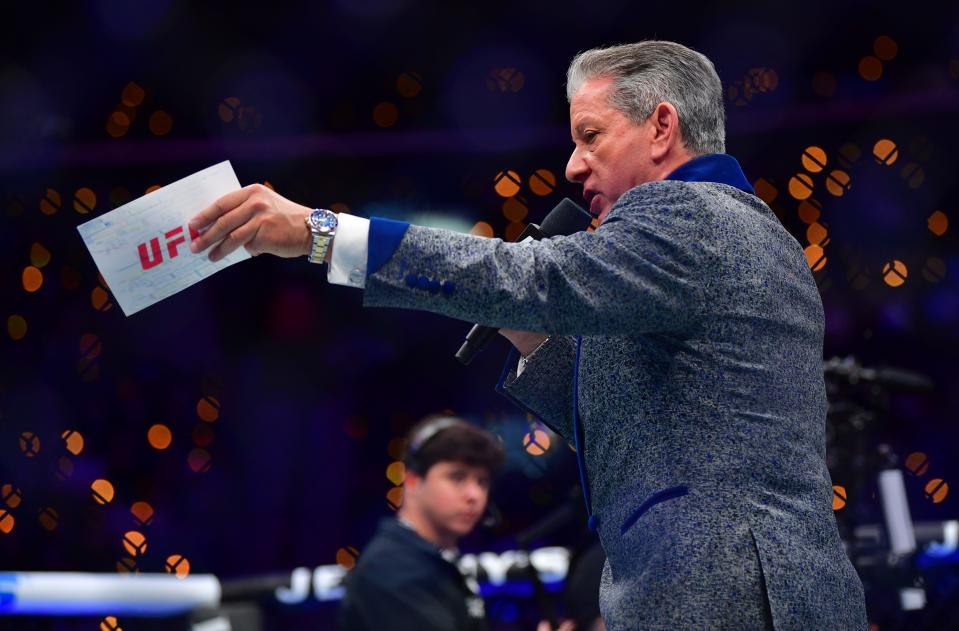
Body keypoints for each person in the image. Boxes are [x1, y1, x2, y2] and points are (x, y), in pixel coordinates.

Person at [189, 40, 868, 629]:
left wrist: (323, 233)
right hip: (753, 582)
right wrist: (530, 331)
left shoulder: (687, 215)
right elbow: (642, 420)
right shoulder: (744, 232)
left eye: (591, 135)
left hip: (719, 586)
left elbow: (533, 274)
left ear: (662, 126)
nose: (572, 166)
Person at [338, 415, 503, 631]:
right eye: (457, 477)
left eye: (482, 481)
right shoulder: (391, 569)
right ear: (413, 480)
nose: (474, 494)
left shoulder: (431, 559)